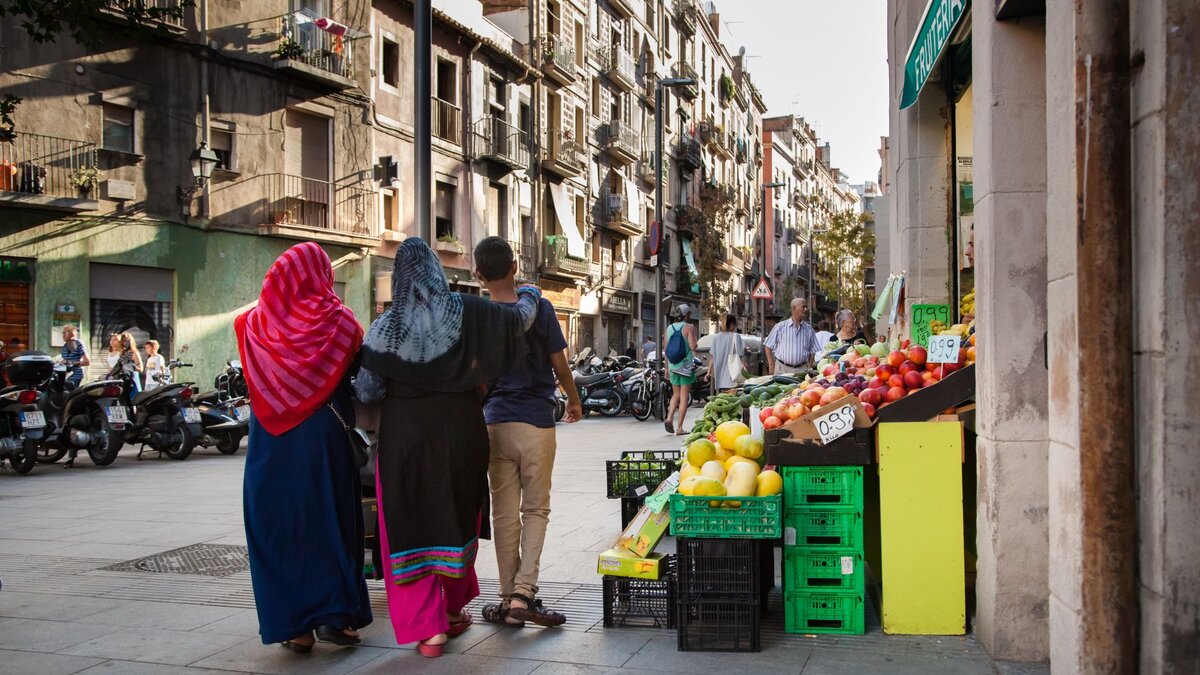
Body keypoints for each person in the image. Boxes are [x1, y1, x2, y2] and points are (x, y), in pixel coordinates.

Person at [354, 238, 542, 658]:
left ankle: (429, 631)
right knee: (456, 515)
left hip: (405, 440)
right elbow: (520, 319)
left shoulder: (385, 326)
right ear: (437, 271)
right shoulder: (467, 311)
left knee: (409, 523)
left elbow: (367, 390)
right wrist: (530, 290)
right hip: (461, 432)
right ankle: (454, 610)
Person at [237, 242, 372, 654]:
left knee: (277, 525)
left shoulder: (249, 325)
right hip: (321, 437)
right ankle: (335, 618)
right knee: (328, 519)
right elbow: (358, 376)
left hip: (269, 438)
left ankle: (293, 626)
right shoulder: (342, 323)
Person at [472, 237, 582, 629]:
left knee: (504, 514)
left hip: (495, 423)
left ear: (478, 274)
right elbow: (559, 363)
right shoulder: (542, 307)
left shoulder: (481, 314)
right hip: (536, 422)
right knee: (536, 509)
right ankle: (523, 593)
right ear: (515, 267)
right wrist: (573, 400)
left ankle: (507, 598)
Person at [662, 304, 698, 436]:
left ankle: (669, 418)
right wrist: (696, 345)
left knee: (675, 394)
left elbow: (665, 350)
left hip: (672, 366)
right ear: (686, 315)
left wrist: (666, 368)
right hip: (685, 366)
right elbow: (693, 346)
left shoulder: (669, 328)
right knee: (684, 397)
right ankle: (679, 428)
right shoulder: (689, 327)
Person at [763, 298, 822, 375]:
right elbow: (768, 346)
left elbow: (813, 351)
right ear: (794, 308)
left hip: (802, 370)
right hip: (782, 369)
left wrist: (810, 367)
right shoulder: (780, 327)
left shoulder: (809, 329)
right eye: (803, 307)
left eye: (806, 307)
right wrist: (771, 365)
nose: (806, 309)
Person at [710, 315, 747, 393]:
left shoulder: (715, 338)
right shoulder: (735, 336)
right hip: (732, 375)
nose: (735, 327)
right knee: (733, 400)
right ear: (731, 324)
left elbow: (712, 357)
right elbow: (740, 354)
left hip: (720, 376)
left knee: (724, 401)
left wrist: (708, 372)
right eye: (735, 325)